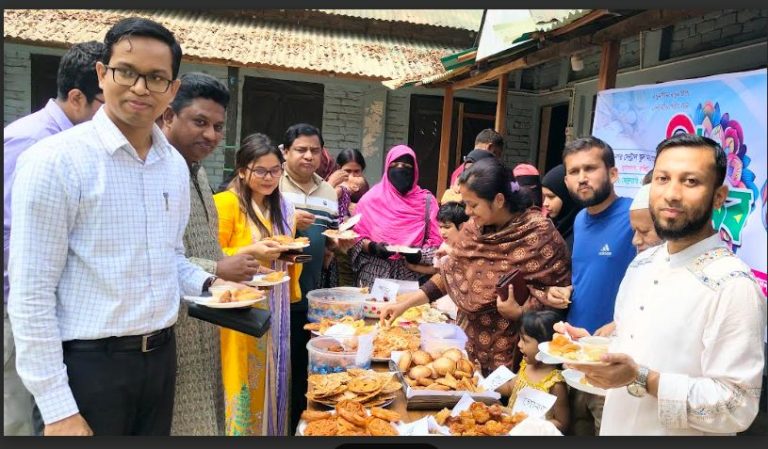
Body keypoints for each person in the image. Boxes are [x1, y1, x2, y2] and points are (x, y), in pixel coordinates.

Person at [8, 17, 230, 436]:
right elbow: (31, 293)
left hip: (161, 361)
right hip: (90, 368)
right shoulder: (55, 161)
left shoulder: (171, 167)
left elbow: (170, 258)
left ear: (172, 90)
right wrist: (57, 408)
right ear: (102, 74)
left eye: (156, 77)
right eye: (126, 72)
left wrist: (211, 285)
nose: (141, 88)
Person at [561, 134, 766, 435]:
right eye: (663, 178)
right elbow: (634, 350)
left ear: (719, 196)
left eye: (691, 181)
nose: (672, 193)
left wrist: (643, 379)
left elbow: (736, 408)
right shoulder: (642, 265)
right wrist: (590, 348)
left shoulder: (733, 285)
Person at [380, 158, 571, 375]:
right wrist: (404, 305)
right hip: (468, 347)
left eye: (473, 205)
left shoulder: (539, 234)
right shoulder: (474, 229)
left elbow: (554, 298)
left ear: (499, 200)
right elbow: (450, 272)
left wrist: (519, 312)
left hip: (515, 350)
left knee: (501, 406)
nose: (468, 212)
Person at [2, 40, 105, 437]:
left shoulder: (79, 144)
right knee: (17, 414)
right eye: (105, 101)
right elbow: (12, 235)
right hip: (17, 306)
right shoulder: (32, 142)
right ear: (78, 97)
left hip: (53, 307)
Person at [161, 72, 265, 435]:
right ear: (168, 116)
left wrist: (228, 272)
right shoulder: (154, 173)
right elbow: (153, 257)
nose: (211, 135)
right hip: (172, 330)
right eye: (200, 122)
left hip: (208, 319)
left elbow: (204, 244)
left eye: (218, 126)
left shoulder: (197, 172)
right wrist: (218, 267)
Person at [546, 136, 636, 436]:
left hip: (614, 360)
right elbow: (586, 274)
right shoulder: (582, 219)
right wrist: (566, 291)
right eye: (573, 171)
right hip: (575, 354)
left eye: (590, 168)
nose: (581, 178)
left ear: (612, 173)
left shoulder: (635, 217)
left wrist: (619, 324)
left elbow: (659, 284)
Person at [214, 133, 299, 435]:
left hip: (274, 306)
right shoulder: (225, 203)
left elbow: (284, 251)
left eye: (275, 170)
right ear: (241, 170)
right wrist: (252, 250)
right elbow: (208, 258)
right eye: (260, 170)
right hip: (237, 310)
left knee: (273, 380)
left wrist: (287, 254)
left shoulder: (284, 207)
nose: (269, 177)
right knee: (242, 381)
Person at [277, 123, 341, 431]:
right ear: (285, 152)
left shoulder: (328, 190)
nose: (308, 156)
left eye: (315, 150)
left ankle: (300, 427)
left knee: (303, 369)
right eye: (301, 150)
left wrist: (335, 244)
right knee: (278, 370)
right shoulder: (273, 184)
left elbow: (329, 236)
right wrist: (290, 220)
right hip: (274, 295)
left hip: (310, 294)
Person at [350, 145, 443, 287]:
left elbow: (439, 245)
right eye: (395, 165)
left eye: (407, 166)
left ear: (415, 170)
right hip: (373, 278)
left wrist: (419, 255)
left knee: (411, 310)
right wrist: (373, 247)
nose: (401, 169)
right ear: (387, 168)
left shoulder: (427, 202)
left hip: (412, 278)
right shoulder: (369, 200)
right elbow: (354, 239)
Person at [496, 310, 570, 433]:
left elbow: (562, 423)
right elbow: (510, 388)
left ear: (545, 345)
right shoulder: (526, 366)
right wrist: (482, 382)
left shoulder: (555, 383)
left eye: (525, 340)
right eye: (520, 338)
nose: (519, 344)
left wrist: (531, 424)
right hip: (509, 429)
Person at [331, 148, 368, 286]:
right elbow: (327, 202)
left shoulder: (362, 187)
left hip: (355, 242)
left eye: (356, 171)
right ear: (339, 169)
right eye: (347, 171)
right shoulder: (334, 186)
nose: (352, 175)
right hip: (335, 241)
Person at [430, 201, 470, 321]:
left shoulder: (469, 247)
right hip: (444, 303)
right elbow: (439, 275)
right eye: (440, 227)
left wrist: (451, 253)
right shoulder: (444, 245)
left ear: (462, 226)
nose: (442, 232)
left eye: (447, 227)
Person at [541, 164, 582, 252]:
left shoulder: (581, 234)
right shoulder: (550, 227)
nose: (545, 203)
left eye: (551, 197)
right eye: (544, 197)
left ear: (567, 196)